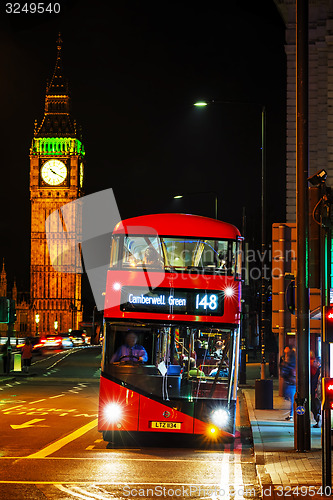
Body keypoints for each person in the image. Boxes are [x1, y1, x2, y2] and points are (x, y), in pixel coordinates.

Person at [281, 348, 296, 421]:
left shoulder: (288, 363)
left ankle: (292, 415)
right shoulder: (295, 362)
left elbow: (283, 373)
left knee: (293, 400)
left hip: (290, 383)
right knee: (293, 400)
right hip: (294, 383)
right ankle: (292, 414)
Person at [311, 357, 321, 427]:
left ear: (318, 363)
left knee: (316, 407)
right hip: (316, 392)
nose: (313, 363)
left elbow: (318, 382)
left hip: (317, 392)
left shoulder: (320, 370)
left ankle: (319, 422)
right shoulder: (319, 370)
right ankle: (318, 421)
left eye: (314, 361)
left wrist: (317, 392)